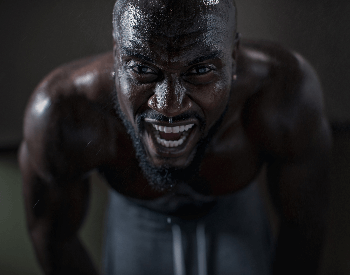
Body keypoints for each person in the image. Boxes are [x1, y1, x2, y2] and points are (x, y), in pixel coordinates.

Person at [19, 0, 331, 274]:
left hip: (230, 206)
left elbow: (303, 227)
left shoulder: (284, 94)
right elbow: (54, 239)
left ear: (233, 59)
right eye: (142, 68)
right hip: (137, 212)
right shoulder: (63, 114)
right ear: (117, 57)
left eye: (199, 71)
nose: (169, 106)